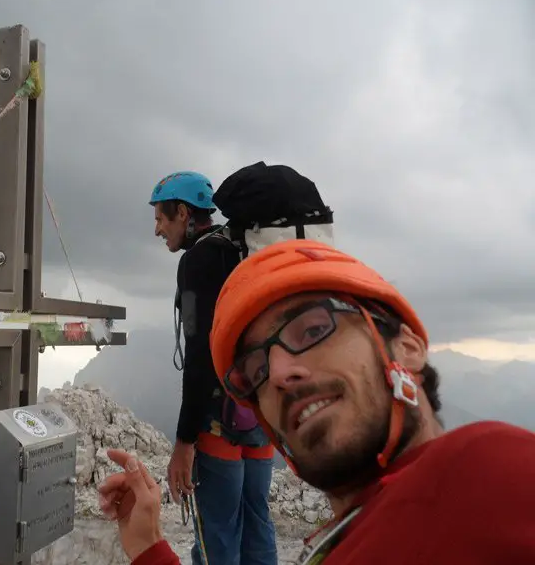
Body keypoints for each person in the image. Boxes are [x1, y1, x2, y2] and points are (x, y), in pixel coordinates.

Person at [98, 239, 535, 564]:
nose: (282, 374)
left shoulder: (493, 466)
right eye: (256, 372)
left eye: (312, 331)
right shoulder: (351, 534)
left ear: (407, 347)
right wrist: (148, 547)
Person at [148, 171, 278, 565]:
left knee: (218, 534)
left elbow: (200, 354)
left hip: (220, 419)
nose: (157, 230)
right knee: (257, 523)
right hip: (261, 413)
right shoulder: (239, 249)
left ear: (184, 213)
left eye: (160, 218)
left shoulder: (197, 260)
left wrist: (185, 441)